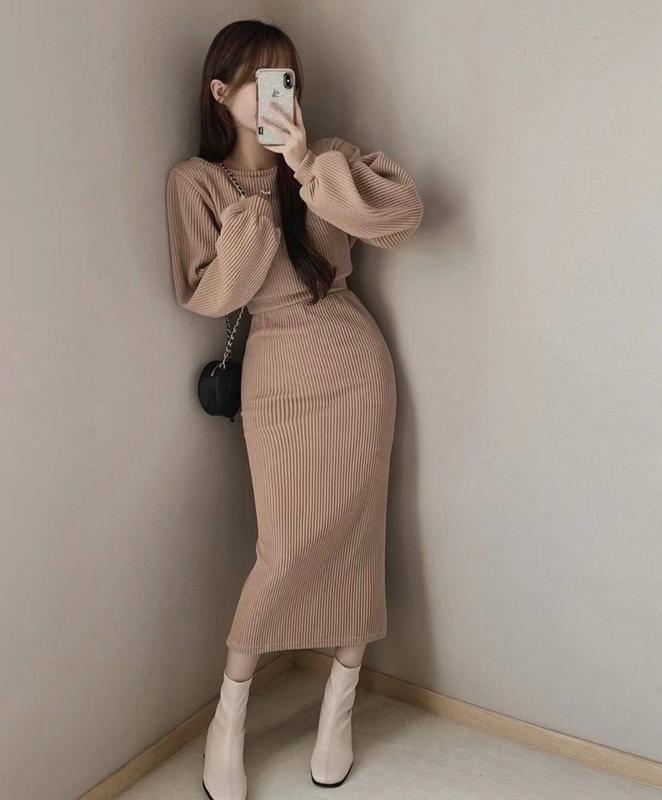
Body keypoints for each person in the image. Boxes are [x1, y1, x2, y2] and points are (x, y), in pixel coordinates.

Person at [165, 18, 424, 800]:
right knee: (281, 548)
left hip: (355, 367)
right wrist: (254, 206)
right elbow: (210, 294)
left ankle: (338, 710)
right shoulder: (197, 183)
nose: (276, 91)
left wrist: (304, 162)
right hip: (276, 375)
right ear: (221, 92)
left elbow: (402, 218)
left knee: (357, 541)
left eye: (286, 77)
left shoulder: (326, 158)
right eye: (258, 78)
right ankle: (229, 722)